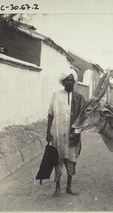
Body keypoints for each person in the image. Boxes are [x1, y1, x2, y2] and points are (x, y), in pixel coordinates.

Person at [46, 69, 85, 197]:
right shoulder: (56, 95)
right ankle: (57, 188)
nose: (69, 82)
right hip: (58, 134)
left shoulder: (79, 97)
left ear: (74, 82)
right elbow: (50, 114)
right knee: (57, 160)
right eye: (67, 80)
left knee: (71, 160)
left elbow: (84, 116)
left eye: (71, 80)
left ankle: (69, 187)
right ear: (63, 82)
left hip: (73, 135)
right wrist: (48, 131)